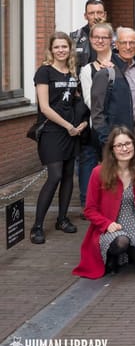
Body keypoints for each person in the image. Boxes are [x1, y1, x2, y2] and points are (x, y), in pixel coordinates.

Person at [73, 127, 135, 278]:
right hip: (108, 229)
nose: (124, 148)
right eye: (119, 145)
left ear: (134, 145)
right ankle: (112, 256)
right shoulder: (98, 172)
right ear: (112, 150)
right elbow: (89, 210)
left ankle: (127, 254)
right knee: (121, 241)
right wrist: (107, 224)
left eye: (128, 143)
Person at [30, 32, 89, 244]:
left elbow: (76, 102)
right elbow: (44, 107)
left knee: (67, 176)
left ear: (70, 49)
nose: (61, 50)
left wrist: (82, 123)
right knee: (54, 175)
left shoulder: (73, 73)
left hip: (72, 132)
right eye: (57, 47)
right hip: (52, 131)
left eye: (64, 47)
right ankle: (37, 226)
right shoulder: (44, 72)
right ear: (51, 50)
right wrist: (68, 126)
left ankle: (62, 219)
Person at [90, 27, 135, 159]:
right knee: (119, 178)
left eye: (132, 42)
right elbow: (97, 113)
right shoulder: (106, 73)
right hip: (117, 138)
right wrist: (108, 141)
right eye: (123, 43)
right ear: (116, 45)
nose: (128, 47)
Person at [77, 22, 114, 212]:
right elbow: (90, 100)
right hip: (96, 126)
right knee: (90, 164)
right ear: (90, 40)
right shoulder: (86, 70)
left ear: (111, 40)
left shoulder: (120, 63)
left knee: (113, 164)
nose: (100, 40)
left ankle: (112, 203)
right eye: (96, 37)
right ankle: (87, 204)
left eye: (104, 37)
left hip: (118, 126)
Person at [70, 0, 107, 69]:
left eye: (99, 13)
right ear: (85, 16)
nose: (96, 17)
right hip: (82, 79)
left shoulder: (115, 39)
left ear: (105, 15)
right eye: (91, 13)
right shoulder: (75, 38)